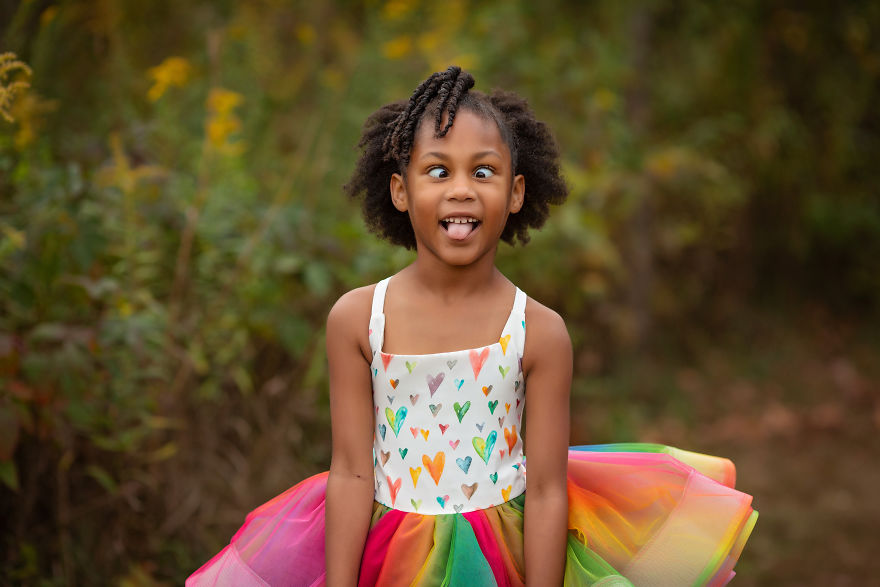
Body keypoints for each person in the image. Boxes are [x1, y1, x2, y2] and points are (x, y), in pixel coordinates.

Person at [187, 66, 757, 586]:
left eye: (483, 171)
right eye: (438, 170)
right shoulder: (358, 320)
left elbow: (547, 488)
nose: (461, 188)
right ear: (401, 191)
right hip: (390, 558)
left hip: (501, 557)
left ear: (514, 193)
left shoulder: (540, 331)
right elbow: (353, 473)